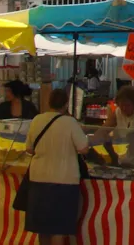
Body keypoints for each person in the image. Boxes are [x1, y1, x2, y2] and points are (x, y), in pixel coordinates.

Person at [24, 89, 89, 245]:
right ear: (66, 104)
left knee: (43, 227)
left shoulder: (37, 120)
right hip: (63, 181)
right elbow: (83, 148)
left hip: (38, 180)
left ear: (49, 102)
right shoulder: (70, 122)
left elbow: (29, 149)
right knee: (58, 228)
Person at [92, 85, 134, 168]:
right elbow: (103, 130)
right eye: (121, 105)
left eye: (127, 105)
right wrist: (92, 143)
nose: (123, 108)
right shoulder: (117, 112)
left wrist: (132, 136)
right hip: (126, 155)